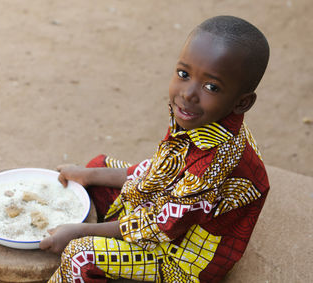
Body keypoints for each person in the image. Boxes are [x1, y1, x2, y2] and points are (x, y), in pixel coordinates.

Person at [40, 15, 270, 283]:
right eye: (183, 74)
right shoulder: (202, 120)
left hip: (184, 260)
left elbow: (158, 225)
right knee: (95, 168)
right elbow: (161, 171)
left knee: (80, 254)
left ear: (242, 103)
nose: (188, 93)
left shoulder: (213, 166)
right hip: (172, 210)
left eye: (211, 87)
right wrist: (89, 175)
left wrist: (78, 233)